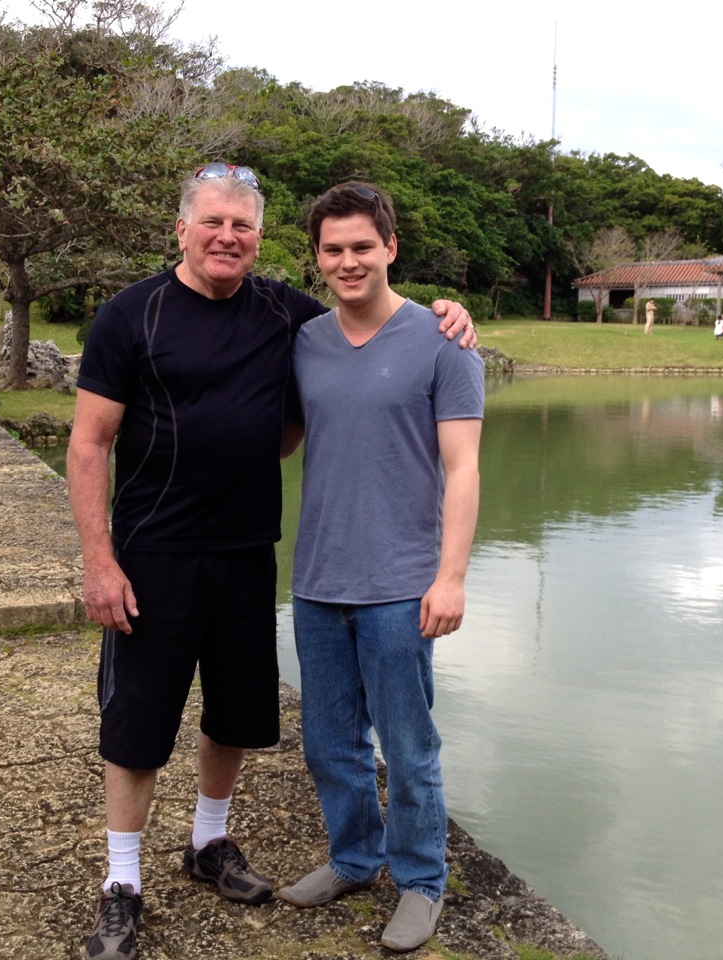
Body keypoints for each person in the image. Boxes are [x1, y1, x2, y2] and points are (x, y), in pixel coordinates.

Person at [67, 163, 476, 960]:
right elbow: (89, 443)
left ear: (260, 239)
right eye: (212, 222)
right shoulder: (133, 315)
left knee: (243, 716)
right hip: (157, 556)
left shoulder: (290, 316)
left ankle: (217, 844)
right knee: (144, 725)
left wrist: (450, 313)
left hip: (254, 553)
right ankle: (123, 882)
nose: (226, 237)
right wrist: (99, 562)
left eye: (242, 226)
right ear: (181, 229)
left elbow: (375, 338)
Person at [276, 182, 484, 953]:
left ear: (390, 247)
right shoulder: (305, 341)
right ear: (317, 257)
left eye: (362, 246)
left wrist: (450, 577)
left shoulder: (443, 340)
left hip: (402, 583)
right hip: (317, 577)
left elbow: (463, 469)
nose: (348, 261)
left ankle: (422, 880)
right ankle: (354, 859)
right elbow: (280, 438)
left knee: (409, 745)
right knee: (330, 743)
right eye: (333, 249)